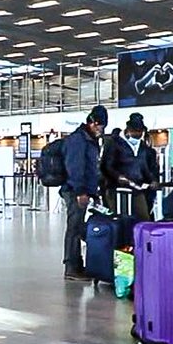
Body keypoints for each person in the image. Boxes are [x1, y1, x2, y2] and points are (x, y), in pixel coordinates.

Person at [61, 105, 107, 281]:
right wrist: (80, 191)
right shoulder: (78, 140)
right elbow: (76, 168)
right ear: (94, 123)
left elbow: (90, 168)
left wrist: (93, 192)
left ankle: (77, 265)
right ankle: (71, 268)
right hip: (74, 190)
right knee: (74, 228)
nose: (101, 131)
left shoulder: (89, 139)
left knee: (79, 226)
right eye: (100, 127)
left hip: (82, 190)